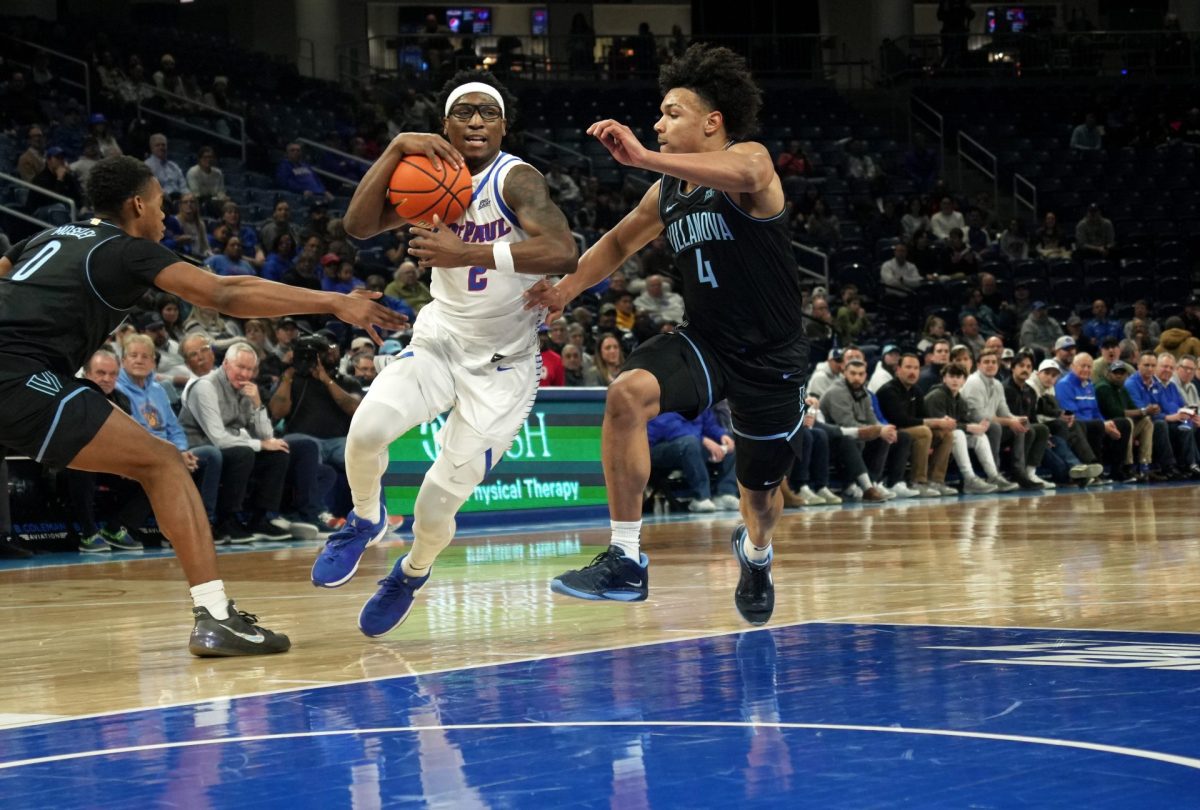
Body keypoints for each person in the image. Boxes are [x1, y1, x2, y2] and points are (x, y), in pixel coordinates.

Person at [0, 155, 404, 656]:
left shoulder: (51, 236)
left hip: (21, 373)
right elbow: (225, 292)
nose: (166, 217)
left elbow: (5, 271)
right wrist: (334, 302)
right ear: (137, 204)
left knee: (155, 461)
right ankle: (216, 617)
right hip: (19, 376)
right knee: (164, 463)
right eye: (162, 204)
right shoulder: (125, 250)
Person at [525, 44, 810, 625]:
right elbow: (617, 243)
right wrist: (564, 291)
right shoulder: (668, 191)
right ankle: (626, 560)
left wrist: (643, 157)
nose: (657, 123)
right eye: (658, 114)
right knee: (626, 393)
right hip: (705, 341)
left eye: (672, 113)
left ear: (713, 122)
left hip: (771, 356)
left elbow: (751, 172)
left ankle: (756, 555)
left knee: (758, 497)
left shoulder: (748, 158)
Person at [309, 71, 577, 638]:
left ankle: (411, 572)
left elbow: (563, 250)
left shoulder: (517, 180)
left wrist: (466, 251)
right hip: (441, 338)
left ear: (504, 126)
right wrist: (396, 146)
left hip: (503, 367)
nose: (476, 122)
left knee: (434, 508)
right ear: (444, 126)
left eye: (488, 113)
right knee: (366, 429)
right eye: (464, 113)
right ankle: (363, 517)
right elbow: (356, 226)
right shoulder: (429, 175)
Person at [648, 408, 739, 513]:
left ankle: (725, 492)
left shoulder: (697, 398)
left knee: (733, 442)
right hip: (658, 447)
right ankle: (701, 497)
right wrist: (703, 439)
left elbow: (709, 424)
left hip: (692, 441)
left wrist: (722, 435)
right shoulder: (664, 397)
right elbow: (668, 427)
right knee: (690, 443)